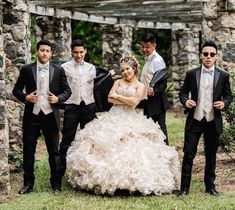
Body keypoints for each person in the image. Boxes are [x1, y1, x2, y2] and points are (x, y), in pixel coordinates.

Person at [66, 54, 180, 195]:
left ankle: (131, 183)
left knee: (134, 147)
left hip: (130, 117)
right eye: (123, 70)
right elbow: (109, 98)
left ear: (134, 69)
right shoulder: (118, 82)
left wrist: (118, 97)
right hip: (114, 116)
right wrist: (126, 98)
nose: (125, 72)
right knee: (105, 143)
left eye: (128, 69)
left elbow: (134, 102)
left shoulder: (140, 85)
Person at [12, 39, 72, 194]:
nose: (44, 53)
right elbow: (16, 90)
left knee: (54, 152)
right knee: (29, 151)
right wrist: (26, 97)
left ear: (51, 53)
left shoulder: (58, 70)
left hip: (51, 115)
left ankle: (56, 183)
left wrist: (58, 98)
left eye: (47, 51)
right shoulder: (26, 69)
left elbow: (67, 91)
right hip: (32, 116)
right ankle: (28, 184)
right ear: (36, 51)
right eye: (42, 50)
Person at [178, 40, 233, 197]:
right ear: (201, 56)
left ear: (216, 56)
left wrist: (224, 103)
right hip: (195, 119)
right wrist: (185, 101)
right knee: (189, 153)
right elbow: (182, 93)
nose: (208, 57)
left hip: (212, 120)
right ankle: (184, 188)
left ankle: (210, 186)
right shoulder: (191, 74)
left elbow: (229, 96)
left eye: (212, 54)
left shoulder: (223, 76)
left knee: (211, 155)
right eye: (206, 54)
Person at [58, 39, 97, 180]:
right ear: (71, 52)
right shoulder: (64, 67)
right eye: (75, 52)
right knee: (67, 139)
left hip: (88, 106)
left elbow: (97, 85)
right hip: (72, 106)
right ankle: (60, 172)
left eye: (81, 52)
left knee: (90, 139)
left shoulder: (92, 68)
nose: (78, 55)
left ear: (85, 52)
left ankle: (89, 172)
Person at [139, 32, 169, 145]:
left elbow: (163, 83)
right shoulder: (149, 59)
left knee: (160, 132)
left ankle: (167, 157)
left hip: (156, 102)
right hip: (148, 101)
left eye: (147, 47)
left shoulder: (157, 61)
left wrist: (153, 91)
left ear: (154, 45)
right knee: (150, 131)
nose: (144, 49)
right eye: (143, 46)